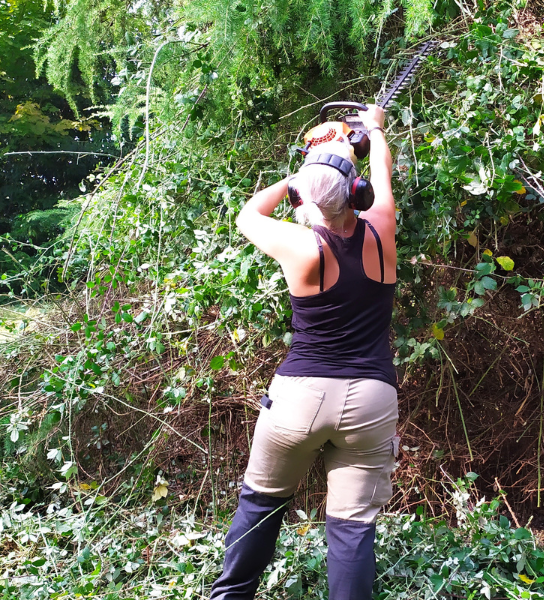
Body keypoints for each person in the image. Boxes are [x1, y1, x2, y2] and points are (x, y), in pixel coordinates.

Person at [210, 105, 398, 600]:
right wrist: (373, 129)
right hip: (373, 401)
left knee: (261, 504)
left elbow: (248, 214)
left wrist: (304, 171)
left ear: (302, 197)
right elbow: (382, 171)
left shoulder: (301, 245)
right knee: (353, 529)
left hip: (300, 398)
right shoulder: (383, 231)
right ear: (356, 194)